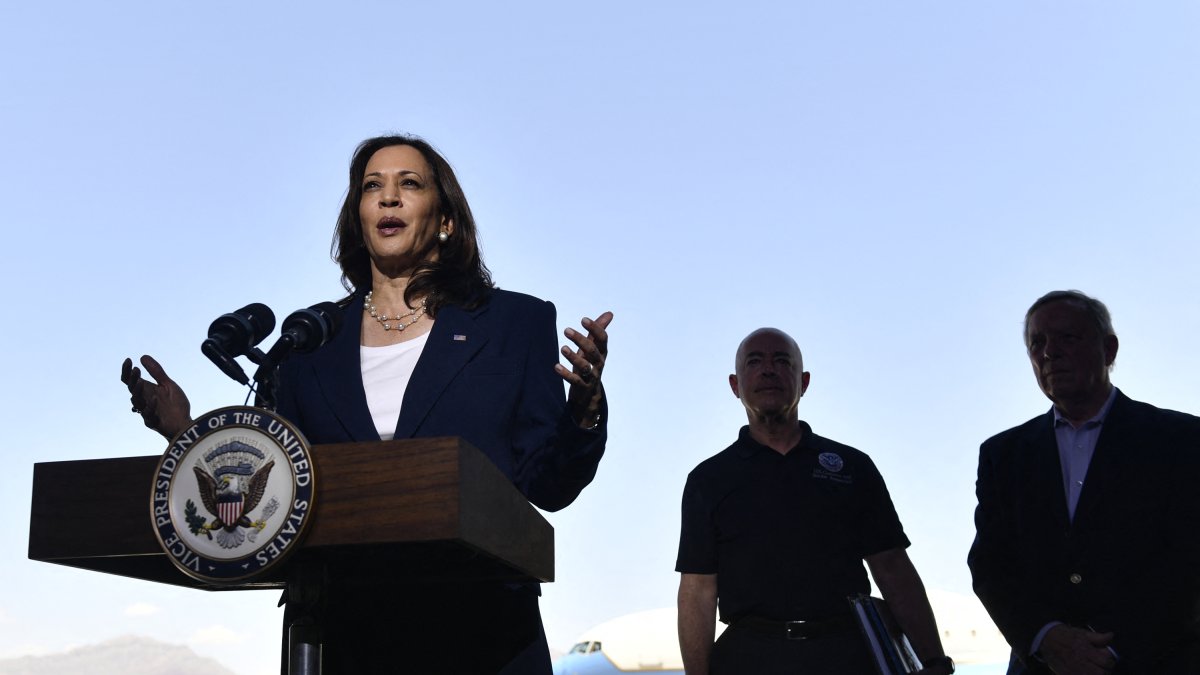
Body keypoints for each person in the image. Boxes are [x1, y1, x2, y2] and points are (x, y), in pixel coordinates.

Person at [122, 134, 613, 674]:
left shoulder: (513, 324)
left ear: (445, 219)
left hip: (483, 627)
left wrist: (583, 408)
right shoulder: (309, 341)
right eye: (372, 186)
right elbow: (270, 482)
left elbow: (548, 485)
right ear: (358, 216)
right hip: (342, 627)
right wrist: (183, 432)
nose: (388, 197)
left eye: (410, 184)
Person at [675, 327, 953, 674]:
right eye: (755, 361)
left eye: (782, 361)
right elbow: (698, 591)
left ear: (804, 382)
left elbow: (893, 568)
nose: (768, 370)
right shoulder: (708, 480)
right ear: (735, 385)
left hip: (848, 655)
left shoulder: (852, 467)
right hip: (749, 658)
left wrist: (935, 662)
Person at [968, 290, 1200, 675]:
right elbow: (991, 563)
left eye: (1067, 338)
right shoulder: (1003, 455)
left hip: (1161, 660)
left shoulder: (1182, 439)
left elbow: (1189, 558)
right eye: (1037, 343)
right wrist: (1046, 637)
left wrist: (1113, 649)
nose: (1049, 352)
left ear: (1109, 350)